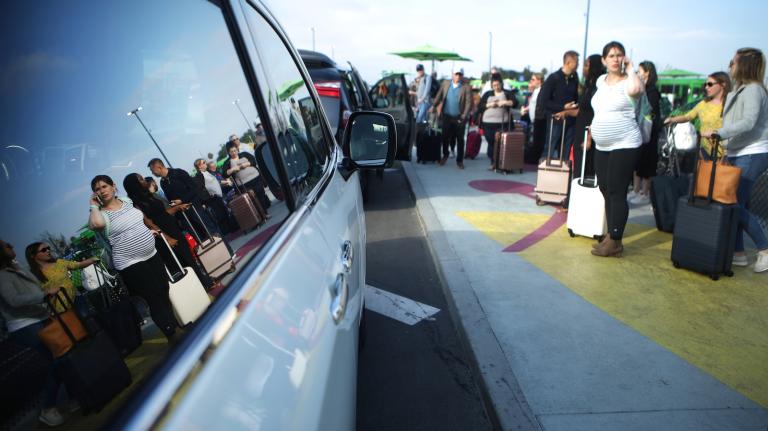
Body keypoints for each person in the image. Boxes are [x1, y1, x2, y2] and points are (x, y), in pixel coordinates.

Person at [88, 175, 180, 341]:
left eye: (104, 186)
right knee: (153, 296)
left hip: (151, 253)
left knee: (163, 288)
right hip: (129, 261)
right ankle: (172, 333)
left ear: (113, 186)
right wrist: (93, 206)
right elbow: (95, 225)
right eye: (97, 189)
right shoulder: (101, 215)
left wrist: (148, 231)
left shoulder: (127, 201)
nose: (101, 191)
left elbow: (138, 221)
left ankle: (173, 324)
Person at [702, 47, 768, 273]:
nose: (730, 65)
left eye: (733, 62)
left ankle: (764, 249)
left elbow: (748, 122)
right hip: (741, 152)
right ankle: (738, 253)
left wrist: (719, 133)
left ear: (744, 65)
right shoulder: (741, 90)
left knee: (733, 203)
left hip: (752, 152)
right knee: (738, 203)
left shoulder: (752, 91)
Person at [0, 239, 71, 427]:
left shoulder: (15, 267)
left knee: (60, 358)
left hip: (40, 318)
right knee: (58, 360)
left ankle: (75, 395)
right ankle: (47, 407)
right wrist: (44, 294)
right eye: (7, 246)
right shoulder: (2, 275)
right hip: (25, 324)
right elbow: (14, 300)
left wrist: (45, 291)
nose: (12, 246)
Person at [589, 41, 645, 258]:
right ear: (603, 60)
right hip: (602, 144)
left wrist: (631, 68)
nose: (615, 58)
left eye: (619, 55)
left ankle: (616, 240)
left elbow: (635, 90)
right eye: (610, 55)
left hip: (625, 143)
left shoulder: (631, 80)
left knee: (616, 191)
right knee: (604, 188)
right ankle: (611, 236)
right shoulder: (600, 81)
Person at [122, 173, 214, 289]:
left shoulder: (149, 196)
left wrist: (177, 208)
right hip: (163, 237)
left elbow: (163, 214)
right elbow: (149, 223)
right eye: (140, 179)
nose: (144, 180)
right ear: (134, 185)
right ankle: (200, 286)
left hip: (173, 230)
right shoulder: (135, 204)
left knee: (189, 258)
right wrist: (167, 238)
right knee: (180, 264)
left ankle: (204, 282)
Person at [148, 158, 222, 239]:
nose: (152, 173)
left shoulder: (178, 173)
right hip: (184, 216)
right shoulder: (162, 182)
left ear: (159, 167)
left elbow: (195, 188)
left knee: (213, 233)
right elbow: (170, 199)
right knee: (200, 239)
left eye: (152, 170)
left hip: (196, 209)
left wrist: (181, 200)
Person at [665, 71, 731, 160]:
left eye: (710, 84)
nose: (706, 87)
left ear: (723, 84)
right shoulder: (703, 104)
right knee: (704, 174)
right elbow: (687, 116)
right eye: (705, 84)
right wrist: (672, 120)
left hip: (727, 153)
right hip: (704, 151)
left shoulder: (731, 104)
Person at [559, 54, 605, 179]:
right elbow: (582, 111)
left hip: (589, 133)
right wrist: (566, 112)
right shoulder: (588, 86)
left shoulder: (598, 87)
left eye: (586, 65)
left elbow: (597, 113)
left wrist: (589, 136)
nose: (583, 68)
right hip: (580, 131)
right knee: (578, 166)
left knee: (587, 167)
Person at [25, 242, 99, 313]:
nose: (48, 251)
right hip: (60, 309)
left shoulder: (59, 262)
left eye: (48, 248)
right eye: (43, 250)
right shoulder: (33, 275)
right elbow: (34, 295)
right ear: (33, 255)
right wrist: (47, 292)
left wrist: (92, 260)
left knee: (89, 321)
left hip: (76, 299)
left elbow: (78, 265)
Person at [628, 61, 662, 205]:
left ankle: (644, 192)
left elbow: (650, 111)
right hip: (639, 129)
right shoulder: (643, 89)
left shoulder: (653, 92)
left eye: (640, 71)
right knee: (638, 161)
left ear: (647, 72)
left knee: (647, 162)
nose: (638, 73)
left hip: (649, 131)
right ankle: (636, 190)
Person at [540, 51, 580, 160]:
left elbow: (576, 97)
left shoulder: (574, 78)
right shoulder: (554, 78)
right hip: (556, 120)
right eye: (577, 62)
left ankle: (563, 174)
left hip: (570, 121)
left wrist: (574, 106)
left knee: (566, 151)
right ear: (568, 62)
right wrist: (563, 107)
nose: (578, 65)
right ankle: (546, 172)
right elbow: (544, 101)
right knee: (550, 148)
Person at [433, 69, 473, 169]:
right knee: (445, 137)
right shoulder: (446, 83)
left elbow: (469, 102)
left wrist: (464, 115)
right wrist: (433, 106)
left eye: (460, 74)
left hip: (459, 117)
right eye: (456, 74)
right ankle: (445, 155)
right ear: (452, 74)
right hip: (446, 116)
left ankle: (459, 160)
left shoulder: (466, 87)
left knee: (460, 139)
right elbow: (439, 96)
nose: (458, 76)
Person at [478, 75, 519, 169]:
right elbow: (480, 106)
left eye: (498, 85)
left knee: (499, 142)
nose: (496, 87)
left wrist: (505, 102)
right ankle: (493, 159)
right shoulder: (487, 94)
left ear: (501, 84)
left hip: (502, 122)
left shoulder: (507, 93)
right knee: (491, 141)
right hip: (488, 123)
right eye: (494, 85)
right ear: (492, 85)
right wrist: (490, 104)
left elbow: (515, 103)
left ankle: (496, 162)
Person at [225, 142, 271, 212]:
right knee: (251, 199)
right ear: (228, 152)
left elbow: (254, 160)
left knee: (260, 194)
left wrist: (247, 164)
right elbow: (224, 174)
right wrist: (232, 169)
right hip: (243, 184)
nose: (234, 153)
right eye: (231, 152)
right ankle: (260, 214)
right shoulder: (227, 162)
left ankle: (265, 212)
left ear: (237, 149)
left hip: (255, 178)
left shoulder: (244, 154)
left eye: (235, 150)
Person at [194, 158, 235, 234]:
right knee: (220, 216)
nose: (205, 163)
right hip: (211, 199)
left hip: (218, 196)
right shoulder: (198, 176)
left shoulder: (207, 172)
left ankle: (231, 228)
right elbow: (200, 190)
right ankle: (227, 231)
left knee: (225, 212)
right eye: (203, 162)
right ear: (199, 166)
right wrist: (209, 195)